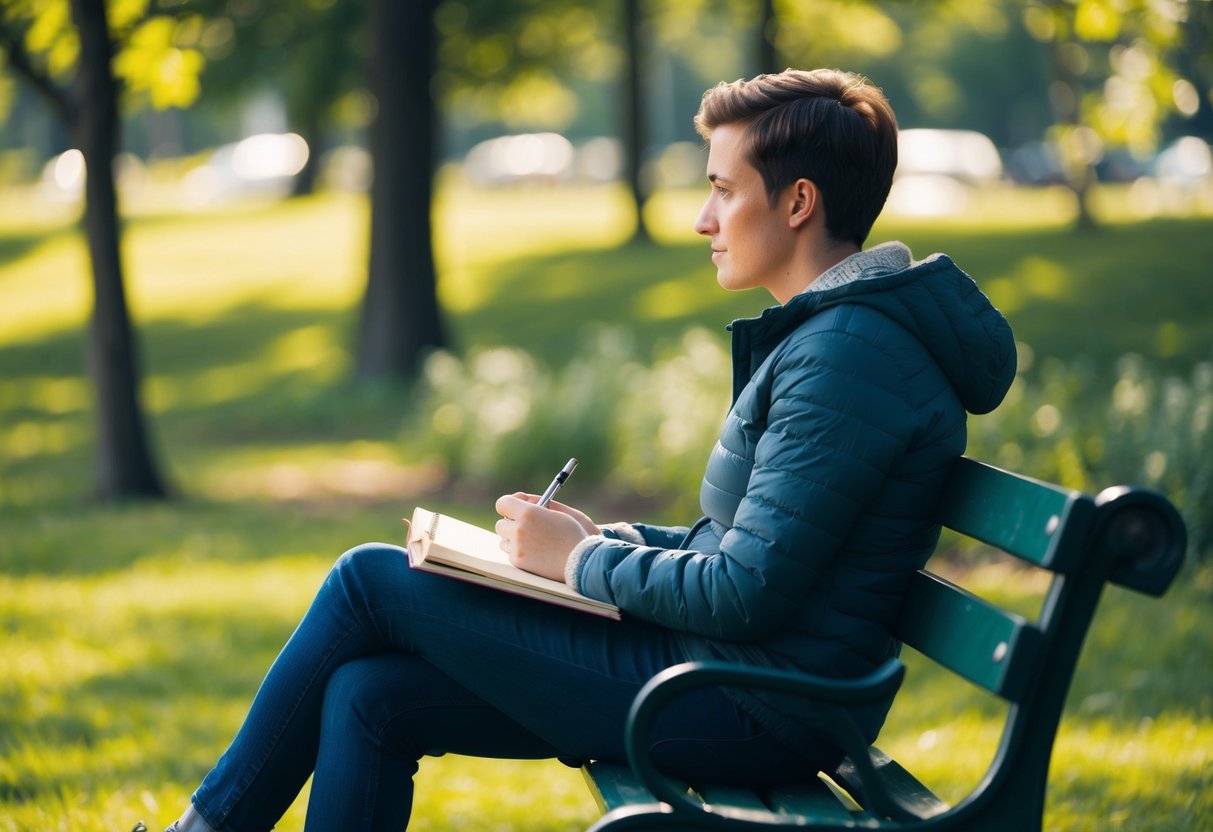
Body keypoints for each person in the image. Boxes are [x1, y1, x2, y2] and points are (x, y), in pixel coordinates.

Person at [144, 67, 1016, 832]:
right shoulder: (837, 342)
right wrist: (608, 543)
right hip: (736, 682)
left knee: (367, 579)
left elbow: (744, 591)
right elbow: (746, 549)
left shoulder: (847, 359)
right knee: (368, 695)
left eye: (722, 188)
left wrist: (583, 561)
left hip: (747, 708)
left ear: (796, 203)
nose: (701, 218)